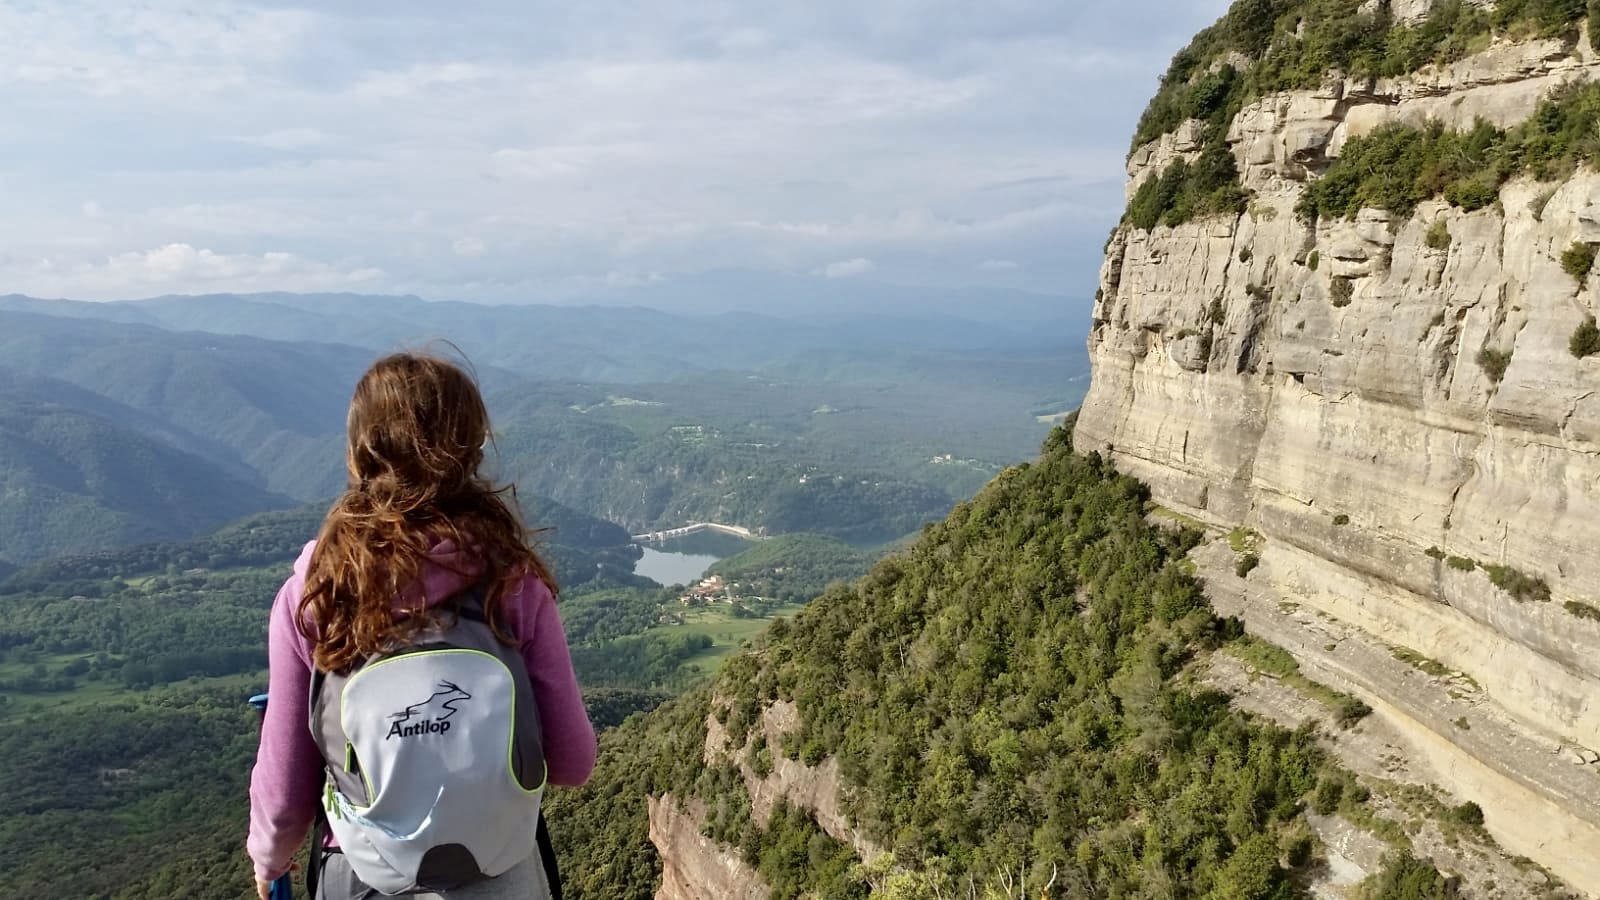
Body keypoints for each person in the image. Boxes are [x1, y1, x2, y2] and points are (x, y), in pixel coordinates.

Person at [247, 351, 597, 899]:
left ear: (358, 454)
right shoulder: (513, 583)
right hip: (500, 874)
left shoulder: (315, 597)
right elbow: (573, 762)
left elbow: (287, 790)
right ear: (472, 452)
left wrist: (269, 860)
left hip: (363, 877)